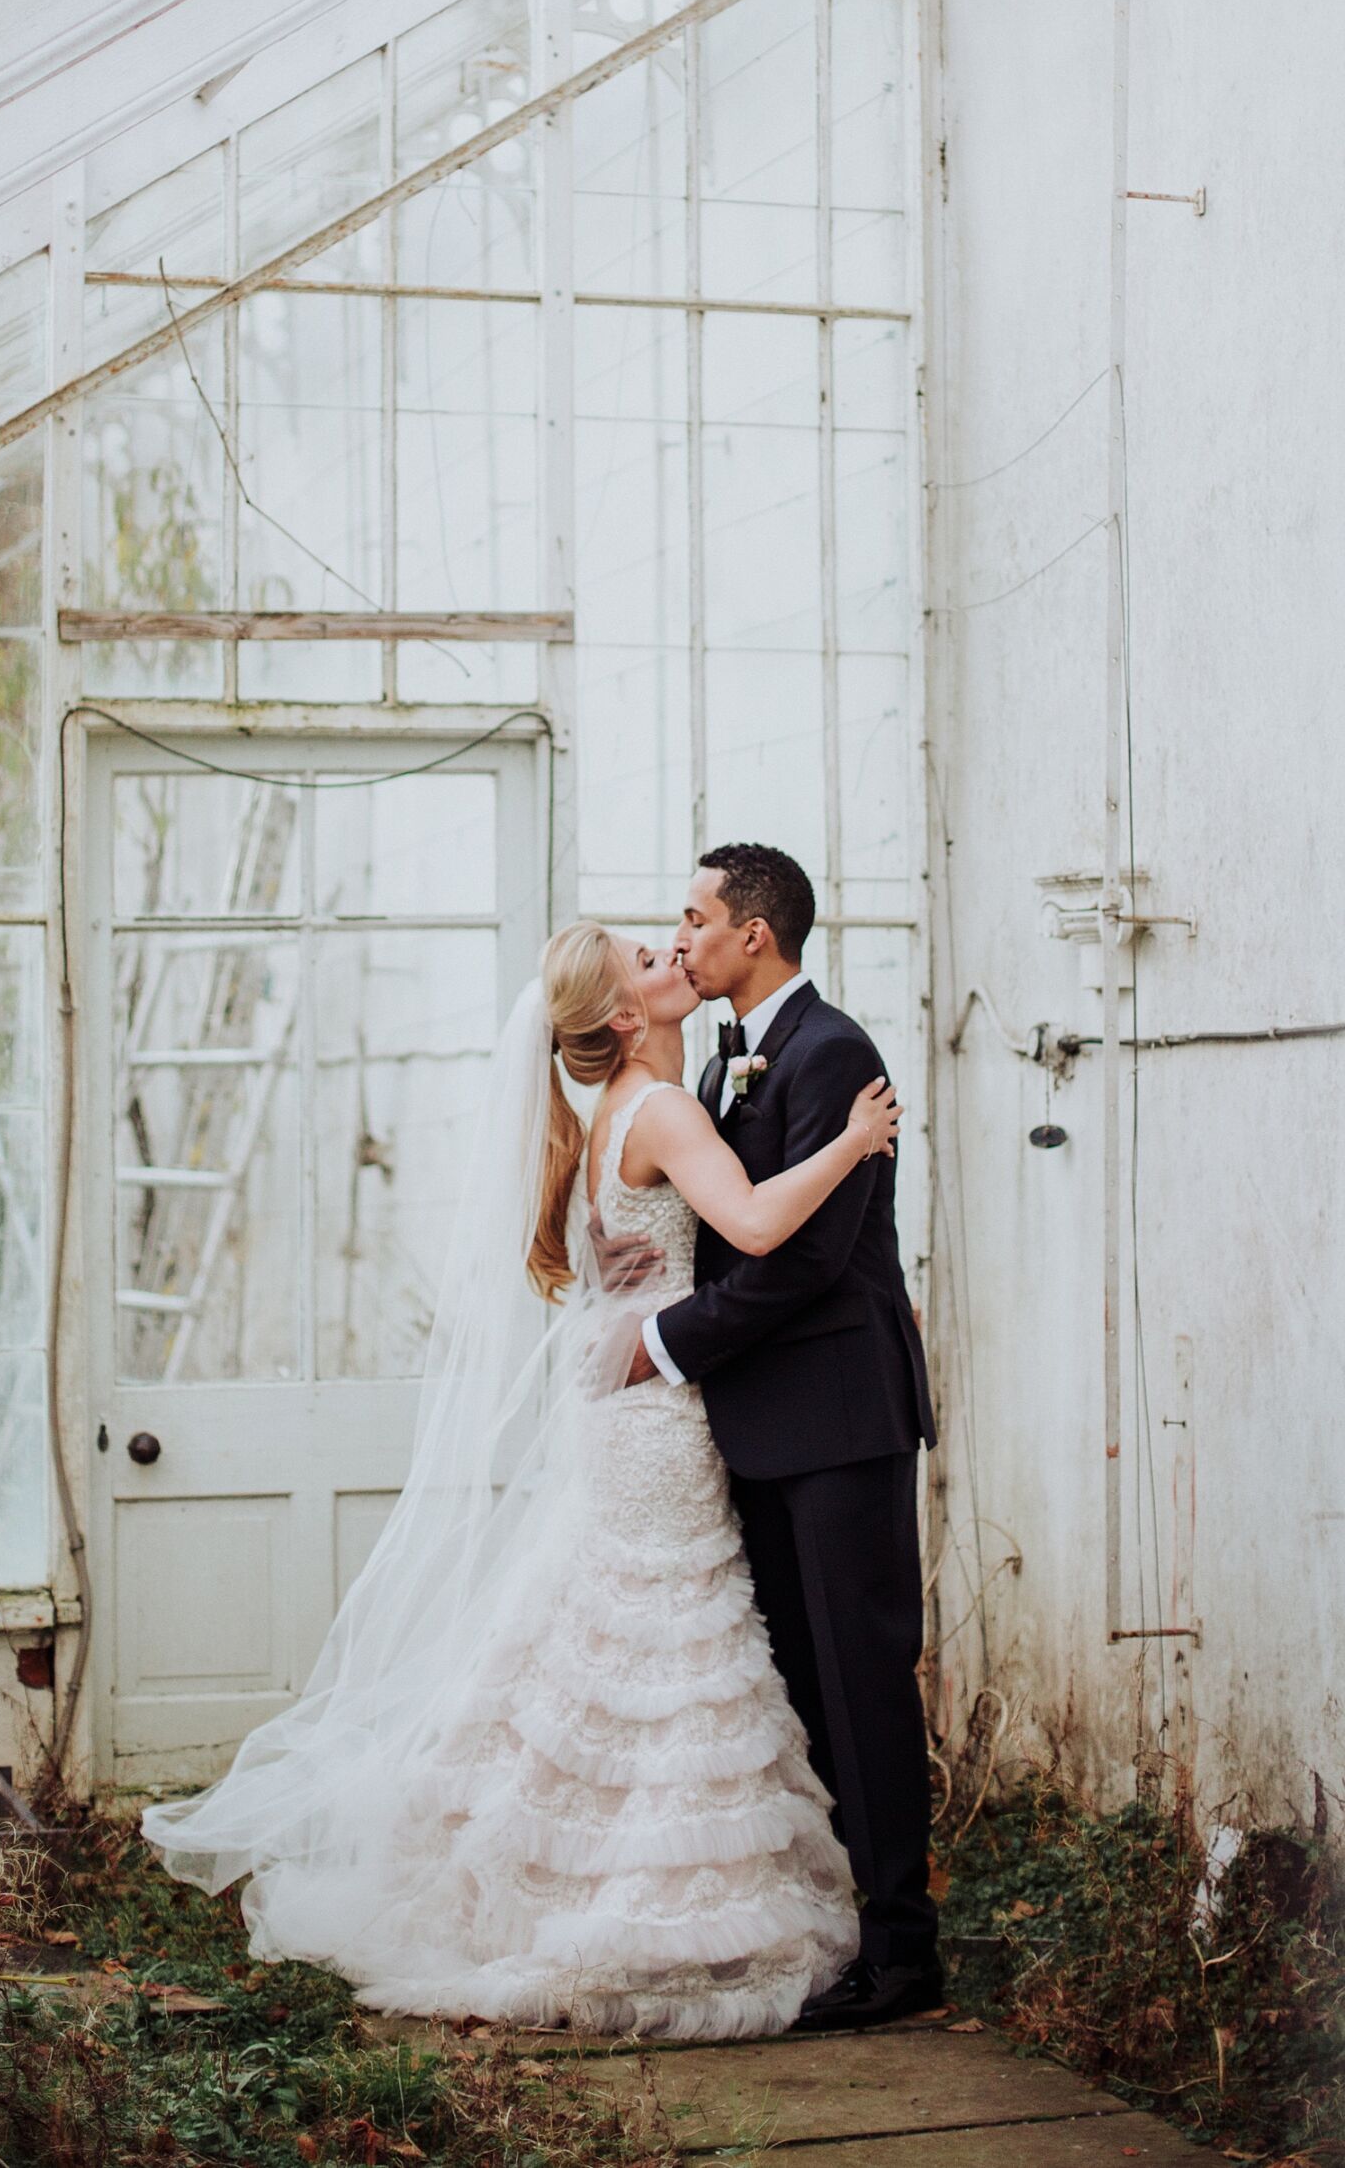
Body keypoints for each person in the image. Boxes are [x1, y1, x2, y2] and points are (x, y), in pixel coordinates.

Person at [142, 920, 900, 2038]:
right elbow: (748, 1224)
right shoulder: (669, 1107)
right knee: (661, 1633)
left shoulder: (607, 1118)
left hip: (627, 1402)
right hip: (656, 1409)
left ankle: (564, 1872)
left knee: (608, 1628)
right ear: (625, 1017)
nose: (672, 955)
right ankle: (636, 1895)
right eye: (652, 957)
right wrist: (848, 1143)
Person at [597, 843, 941, 2033]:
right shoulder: (730, 1065)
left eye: (693, 918)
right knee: (804, 1689)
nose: (679, 937)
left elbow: (799, 1259)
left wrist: (671, 1341)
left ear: (756, 934)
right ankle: (851, 1923)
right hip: (762, 1428)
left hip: (841, 1416)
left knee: (865, 1683)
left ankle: (906, 1952)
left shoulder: (834, 1051)